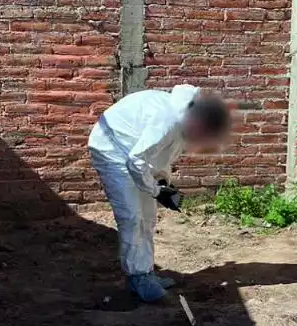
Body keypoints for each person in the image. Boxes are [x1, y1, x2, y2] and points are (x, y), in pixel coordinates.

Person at [88, 86, 231, 302]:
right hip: (113, 149)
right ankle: (136, 278)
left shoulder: (185, 123)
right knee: (132, 217)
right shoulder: (168, 120)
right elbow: (136, 160)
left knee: (148, 218)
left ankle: (146, 272)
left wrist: (163, 183)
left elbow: (161, 156)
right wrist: (156, 190)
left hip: (133, 152)